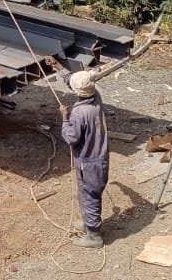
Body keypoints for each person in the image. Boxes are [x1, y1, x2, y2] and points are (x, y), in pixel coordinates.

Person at [46, 57, 108, 248]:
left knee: (89, 196)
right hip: (98, 159)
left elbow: (71, 138)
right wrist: (58, 67)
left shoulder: (79, 113)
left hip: (88, 163)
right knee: (87, 194)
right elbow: (75, 81)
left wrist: (65, 118)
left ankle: (94, 236)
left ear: (77, 91)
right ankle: (89, 224)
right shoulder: (95, 98)